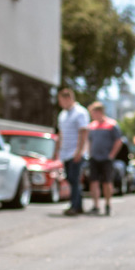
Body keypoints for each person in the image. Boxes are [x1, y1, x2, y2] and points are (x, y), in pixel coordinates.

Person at [55, 87, 89, 216]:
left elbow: (83, 132)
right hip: (65, 153)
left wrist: (79, 151)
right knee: (70, 179)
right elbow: (61, 134)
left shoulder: (80, 112)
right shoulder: (62, 114)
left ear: (68, 98)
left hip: (75, 152)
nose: (60, 103)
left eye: (61, 100)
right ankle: (77, 204)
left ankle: (75, 206)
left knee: (74, 179)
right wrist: (57, 151)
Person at [86, 102, 124, 216]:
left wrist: (111, 155)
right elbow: (89, 140)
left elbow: (119, 141)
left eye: (93, 113)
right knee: (94, 182)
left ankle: (108, 204)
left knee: (107, 182)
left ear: (99, 112)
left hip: (106, 158)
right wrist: (89, 153)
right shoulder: (92, 126)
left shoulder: (111, 125)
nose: (92, 115)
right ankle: (96, 205)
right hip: (94, 158)